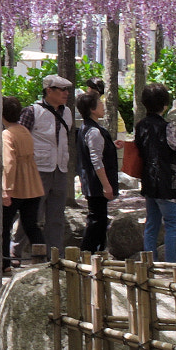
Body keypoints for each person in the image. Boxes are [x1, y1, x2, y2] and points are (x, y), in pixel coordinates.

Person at [20, 74, 78, 258]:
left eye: (67, 90)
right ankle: (16, 250)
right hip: (38, 169)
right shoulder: (32, 111)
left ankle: (55, 255)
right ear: (49, 90)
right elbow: (20, 138)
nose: (66, 93)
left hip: (60, 169)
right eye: (62, 90)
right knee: (32, 214)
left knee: (57, 217)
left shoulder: (67, 112)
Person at [134, 82, 176, 262]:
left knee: (152, 223)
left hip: (148, 179)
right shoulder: (167, 127)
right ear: (165, 105)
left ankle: (149, 264)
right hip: (167, 180)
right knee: (173, 223)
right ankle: (172, 264)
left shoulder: (140, 125)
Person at [0, 96, 43, 263]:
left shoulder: (7, 134)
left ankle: (4, 263)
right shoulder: (24, 130)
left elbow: (9, 162)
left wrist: (6, 189)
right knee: (31, 226)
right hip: (33, 184)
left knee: (4, 227)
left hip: (16, 186)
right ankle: (42, 260)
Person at [77, 89, 116, 255]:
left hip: (91, 182)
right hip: (96, 183)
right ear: (92, 109)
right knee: (96, 220)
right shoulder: (93, 131)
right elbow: (96, 160)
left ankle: (96, 253)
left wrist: (113, 145)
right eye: (100, 104)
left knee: (99, 218)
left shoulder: (87, 128)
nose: (103, 106)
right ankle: (86, 253)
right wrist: (106, 185)